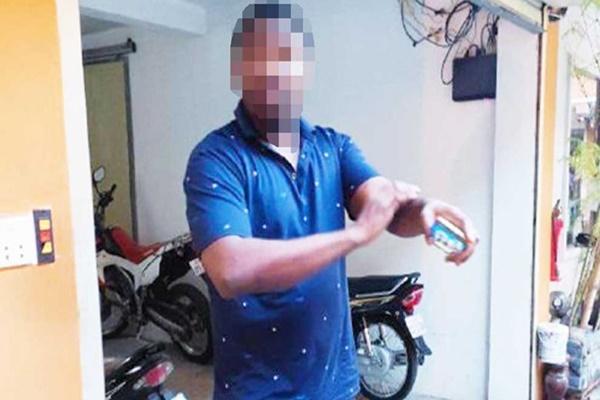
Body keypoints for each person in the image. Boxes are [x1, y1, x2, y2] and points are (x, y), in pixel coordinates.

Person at [183, 2, 479, 399]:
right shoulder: (216, 159)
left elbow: (383, 204)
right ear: (239, 71)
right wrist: (355, 235)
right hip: (257, 391)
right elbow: (231, 270)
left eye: (287, 57)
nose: (275, 71)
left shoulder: (333, 147)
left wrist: (423, 211)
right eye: (260, 58)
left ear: (305, 68)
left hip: (336, 385)